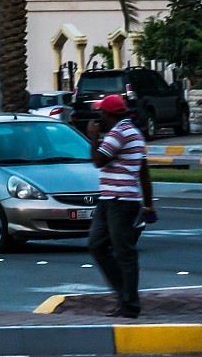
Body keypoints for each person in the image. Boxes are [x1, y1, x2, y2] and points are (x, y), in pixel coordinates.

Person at [89, 93, 156, 319]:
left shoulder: (118, 133)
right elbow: (144, 172)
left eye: (101, 111)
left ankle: (129, 304)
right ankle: (125, 296)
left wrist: (93, 137)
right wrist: (148, 205)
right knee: (98, 245)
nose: (98, 115)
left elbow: (99, 161)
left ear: (109, 114)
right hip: (112, 199)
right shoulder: (135, 133)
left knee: (124, 253)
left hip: (119, 202)